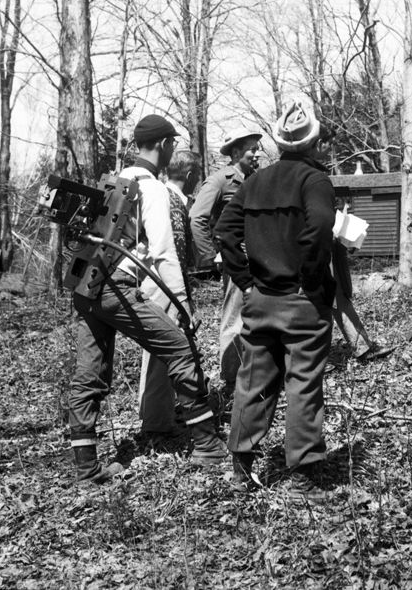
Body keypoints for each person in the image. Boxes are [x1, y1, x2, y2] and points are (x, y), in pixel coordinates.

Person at [65, 115, 227, 484]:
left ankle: (86, 469)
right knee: (181, 350)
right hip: (116, 288)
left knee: (89, 376)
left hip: (87, 288)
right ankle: (208, 447)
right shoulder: (152, 189)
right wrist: (181, 306)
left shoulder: (114, 180)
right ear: (166, 145)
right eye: (172, 144)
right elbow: (163, 253)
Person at [215, 101, 335, 498]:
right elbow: (318, 228)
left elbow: (224, 231)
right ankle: (301, 475)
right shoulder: (314, 181)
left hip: (261, 299)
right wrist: (311, 279)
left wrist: (247, 282)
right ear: (314, 142)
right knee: (302, 382)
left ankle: (240, 466)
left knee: (254, 380)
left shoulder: (254, 181)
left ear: (281, 143)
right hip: (300, 300)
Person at [135, 150, 203, 453]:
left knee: (165, 352)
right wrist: (182, 298)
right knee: (161, 353)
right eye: (197, 176)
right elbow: (171, 253)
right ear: (189, 176)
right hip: (162, 284)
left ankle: (160, 414)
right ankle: (155, 422)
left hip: (161, 283)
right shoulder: (170, 199)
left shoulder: (171, 197)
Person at [188, 130, 263, 406]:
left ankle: (253, 373)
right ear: (234, 154)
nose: (256, 154)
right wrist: (212, 257)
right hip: (234, 259)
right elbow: (197, 217)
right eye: (250, 150)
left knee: (257, 315)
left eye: (258, 149)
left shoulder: (256, 180)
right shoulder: (220, 180)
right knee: (234, 319)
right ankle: (231, 382)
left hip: (260, 259)